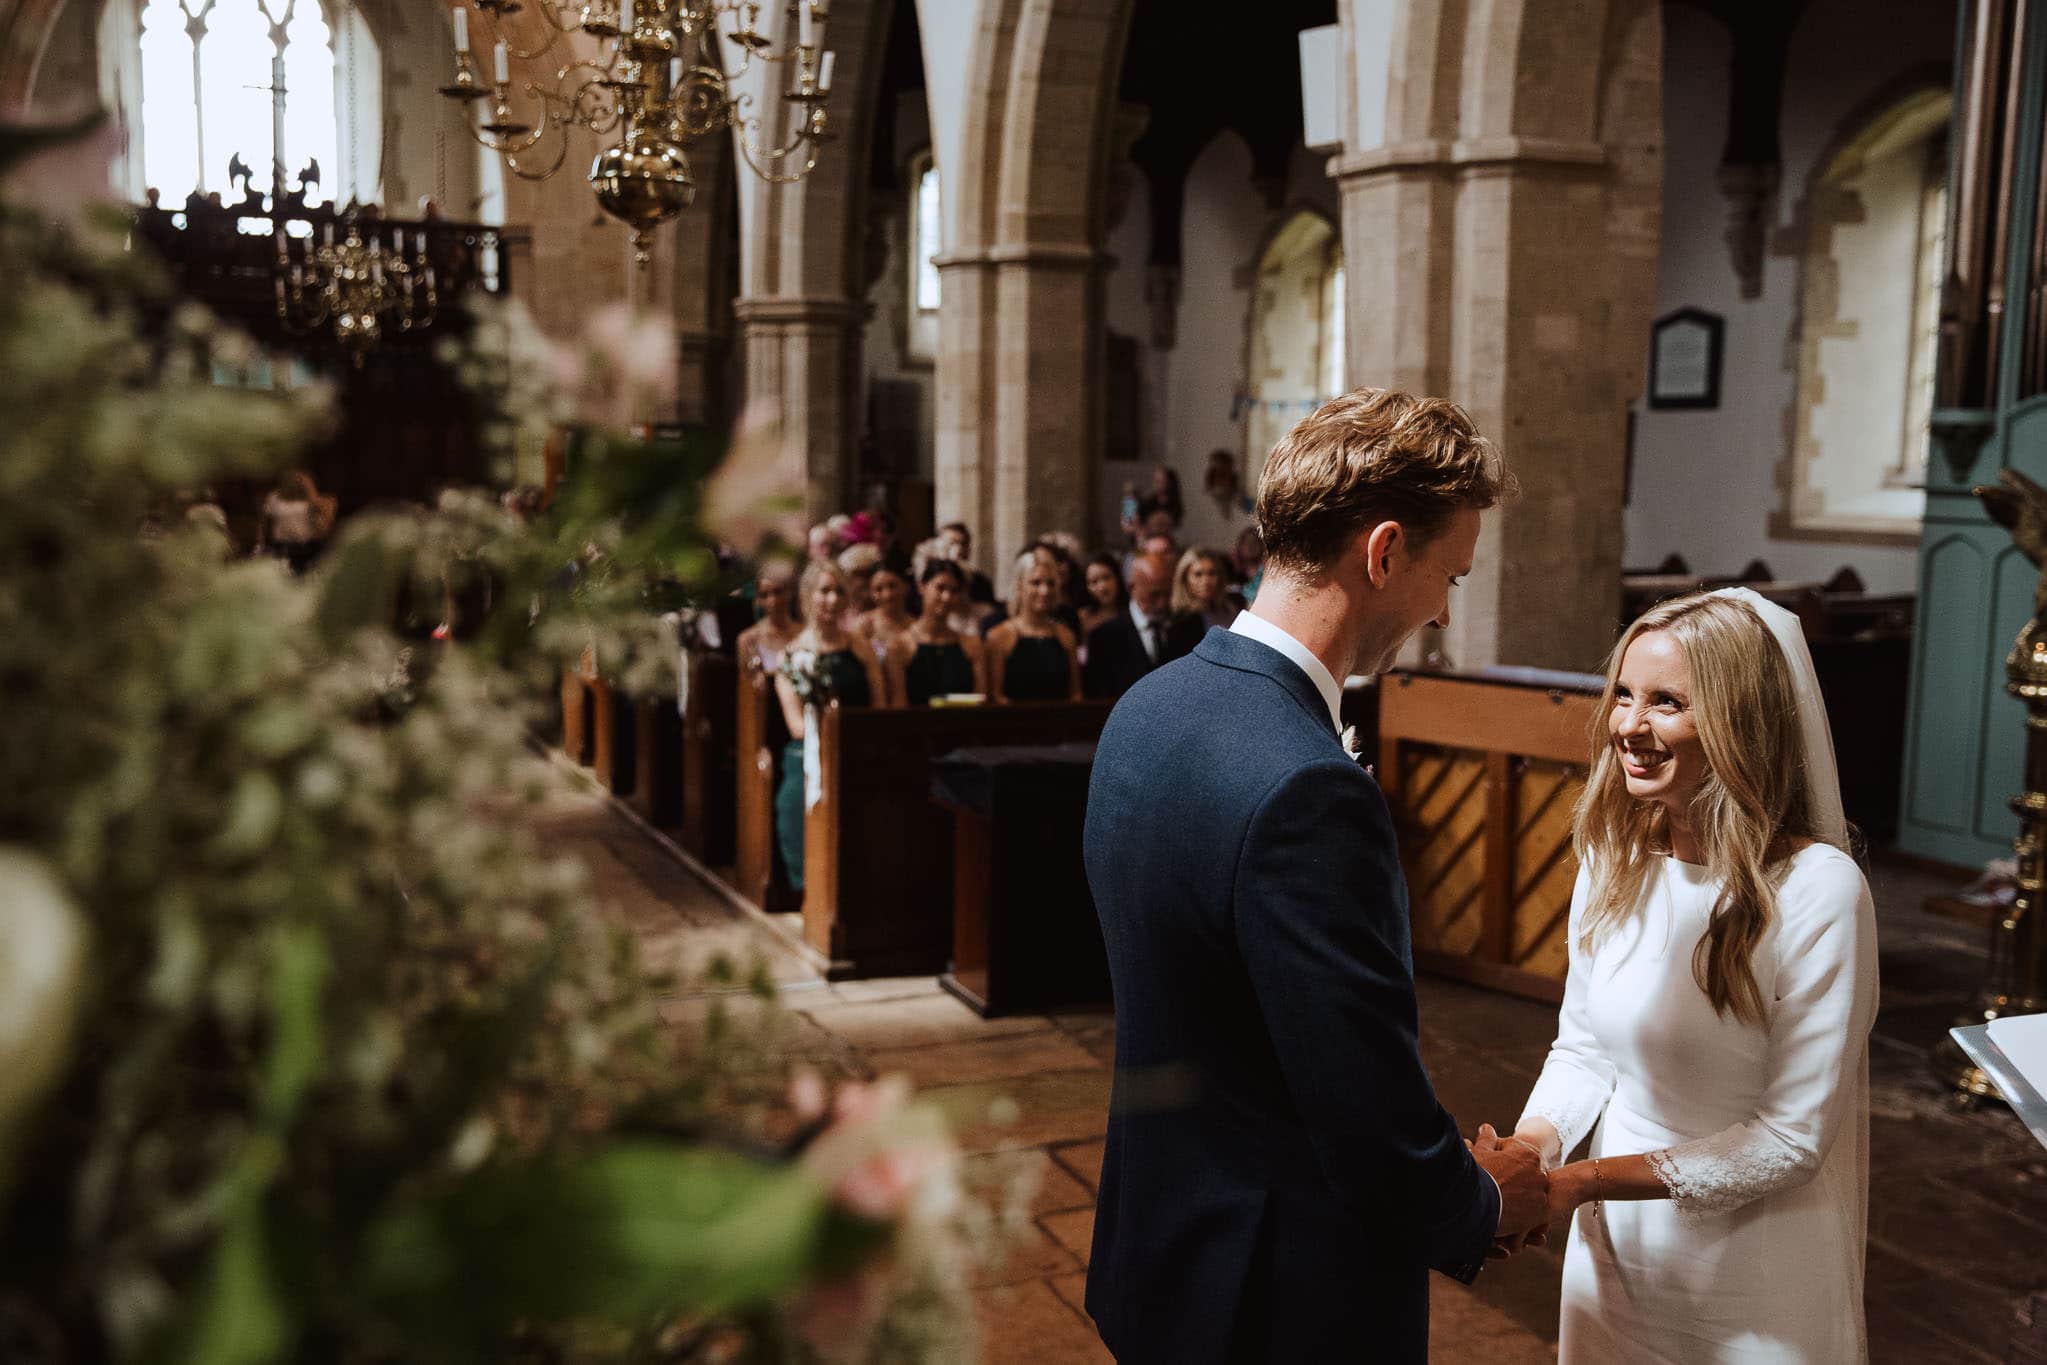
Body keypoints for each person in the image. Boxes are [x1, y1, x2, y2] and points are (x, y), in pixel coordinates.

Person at [1082, 388, 1540, 1363]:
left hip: (1158, 1246)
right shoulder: (1306, 788)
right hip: (1274, 1298)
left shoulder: (1148, 706)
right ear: (1381, 553)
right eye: (1447, 578)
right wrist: (1484, 1200)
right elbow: (1362, 1103)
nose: (1439, 615)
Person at [1504, 590, 1876, 1363]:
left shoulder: (1817, 889)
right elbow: (1582, 1049)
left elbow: (1788, 1139)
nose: (1628, 726)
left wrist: (1580, 1180)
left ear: (1739, 720)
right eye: (1623, 695)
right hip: (1614, 1258)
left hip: (1752, 1272)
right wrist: (1530, 1149)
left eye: (1666, 701)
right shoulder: (1613, 858)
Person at [771, 561, 888, 894]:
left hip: (859, 744)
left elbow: (878, 703)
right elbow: (795, 725)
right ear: (808, 596)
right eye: (825, 591)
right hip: (810, 748)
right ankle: (811, 885)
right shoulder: (790, 656)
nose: (832, 599)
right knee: (797, 788)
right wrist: (830, 737)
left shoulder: (860, 647)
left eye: (839, 591)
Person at [984, 550, 1081, 703]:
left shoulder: (1066, 636)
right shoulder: (998, 637)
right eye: (1036, 583)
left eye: (1051, 583)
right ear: (1020, 586)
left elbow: (1075, 695)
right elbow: (996, 698)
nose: (1045, 591)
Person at [887, 560, 986, 706]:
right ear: (922, 587)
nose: (947, 597)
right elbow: (899, 705)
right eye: (940, 588)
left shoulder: (972, 645)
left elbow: (980, 701)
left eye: (954, 591)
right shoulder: (900, 646)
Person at [1082, 551, 1173, 700]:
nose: (1162, 603)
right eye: (1154, 595)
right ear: (1132, 588)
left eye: (1167, 594)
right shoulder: (1104, 638)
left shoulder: (1182, 627)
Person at [1164, 547, 1242, 657]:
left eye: (1211, 573)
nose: (1206, 581)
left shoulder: (1232, 608)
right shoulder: (1179, 620)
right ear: (1184, 578)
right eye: (1198, 574)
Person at [256, 469, 336, 573]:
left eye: (301, 479)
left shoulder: (321, 501)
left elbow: (326, 525)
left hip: (309, 548)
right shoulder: (274, 498)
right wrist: (260, 544)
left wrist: (310, 492)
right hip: (282, 548)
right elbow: (264, 523)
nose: (296, 481)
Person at [856, 563, 915, 700]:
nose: (887, 594)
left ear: (905, 587)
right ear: (871, 593)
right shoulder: (864, 626)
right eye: (878, 589)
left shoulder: (915, 627)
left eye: (892, 586)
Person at [736, 560, 800, 676]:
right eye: (764, 595)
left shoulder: (804, 633)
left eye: (778, 592)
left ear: (789, 593)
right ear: (758, 600)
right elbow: (745, 688)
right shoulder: (748, 639)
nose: (773, 601)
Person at [938, 521, 997, 606]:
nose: (959, 549)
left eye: (963, 544)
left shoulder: (981, 583)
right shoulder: (927, 579)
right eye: (952, 543)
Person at [1079, 553, 1126, 641]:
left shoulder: (1133, 611)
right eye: (1094, 582)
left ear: (1117, 577)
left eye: (1107, 578)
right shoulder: (1083, 618)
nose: (1102, 587)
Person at [1137, 463, 1183, 531]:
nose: (1156, 484)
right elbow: (1137, 522)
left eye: (1160, 481)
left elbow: (1175, 523)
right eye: (1156, 481)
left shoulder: (1175, 504)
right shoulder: (1147, 502)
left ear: (1169, 482)